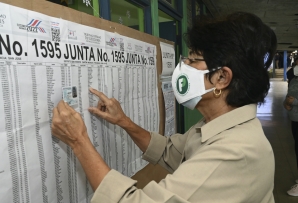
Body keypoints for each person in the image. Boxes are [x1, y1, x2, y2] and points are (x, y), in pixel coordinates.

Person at [51, 12, 277, 203]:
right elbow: (171, 151)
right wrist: (124, 121)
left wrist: (78, 141)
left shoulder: (235, 152)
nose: (183, 66)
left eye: (193, 60)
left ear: (221, 77)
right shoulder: (216, 124)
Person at [284, 73, 298, 196]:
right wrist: (286, 103)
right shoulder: (294, 79)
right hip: (294, 119)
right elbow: (289, 95)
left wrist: (295, 101)